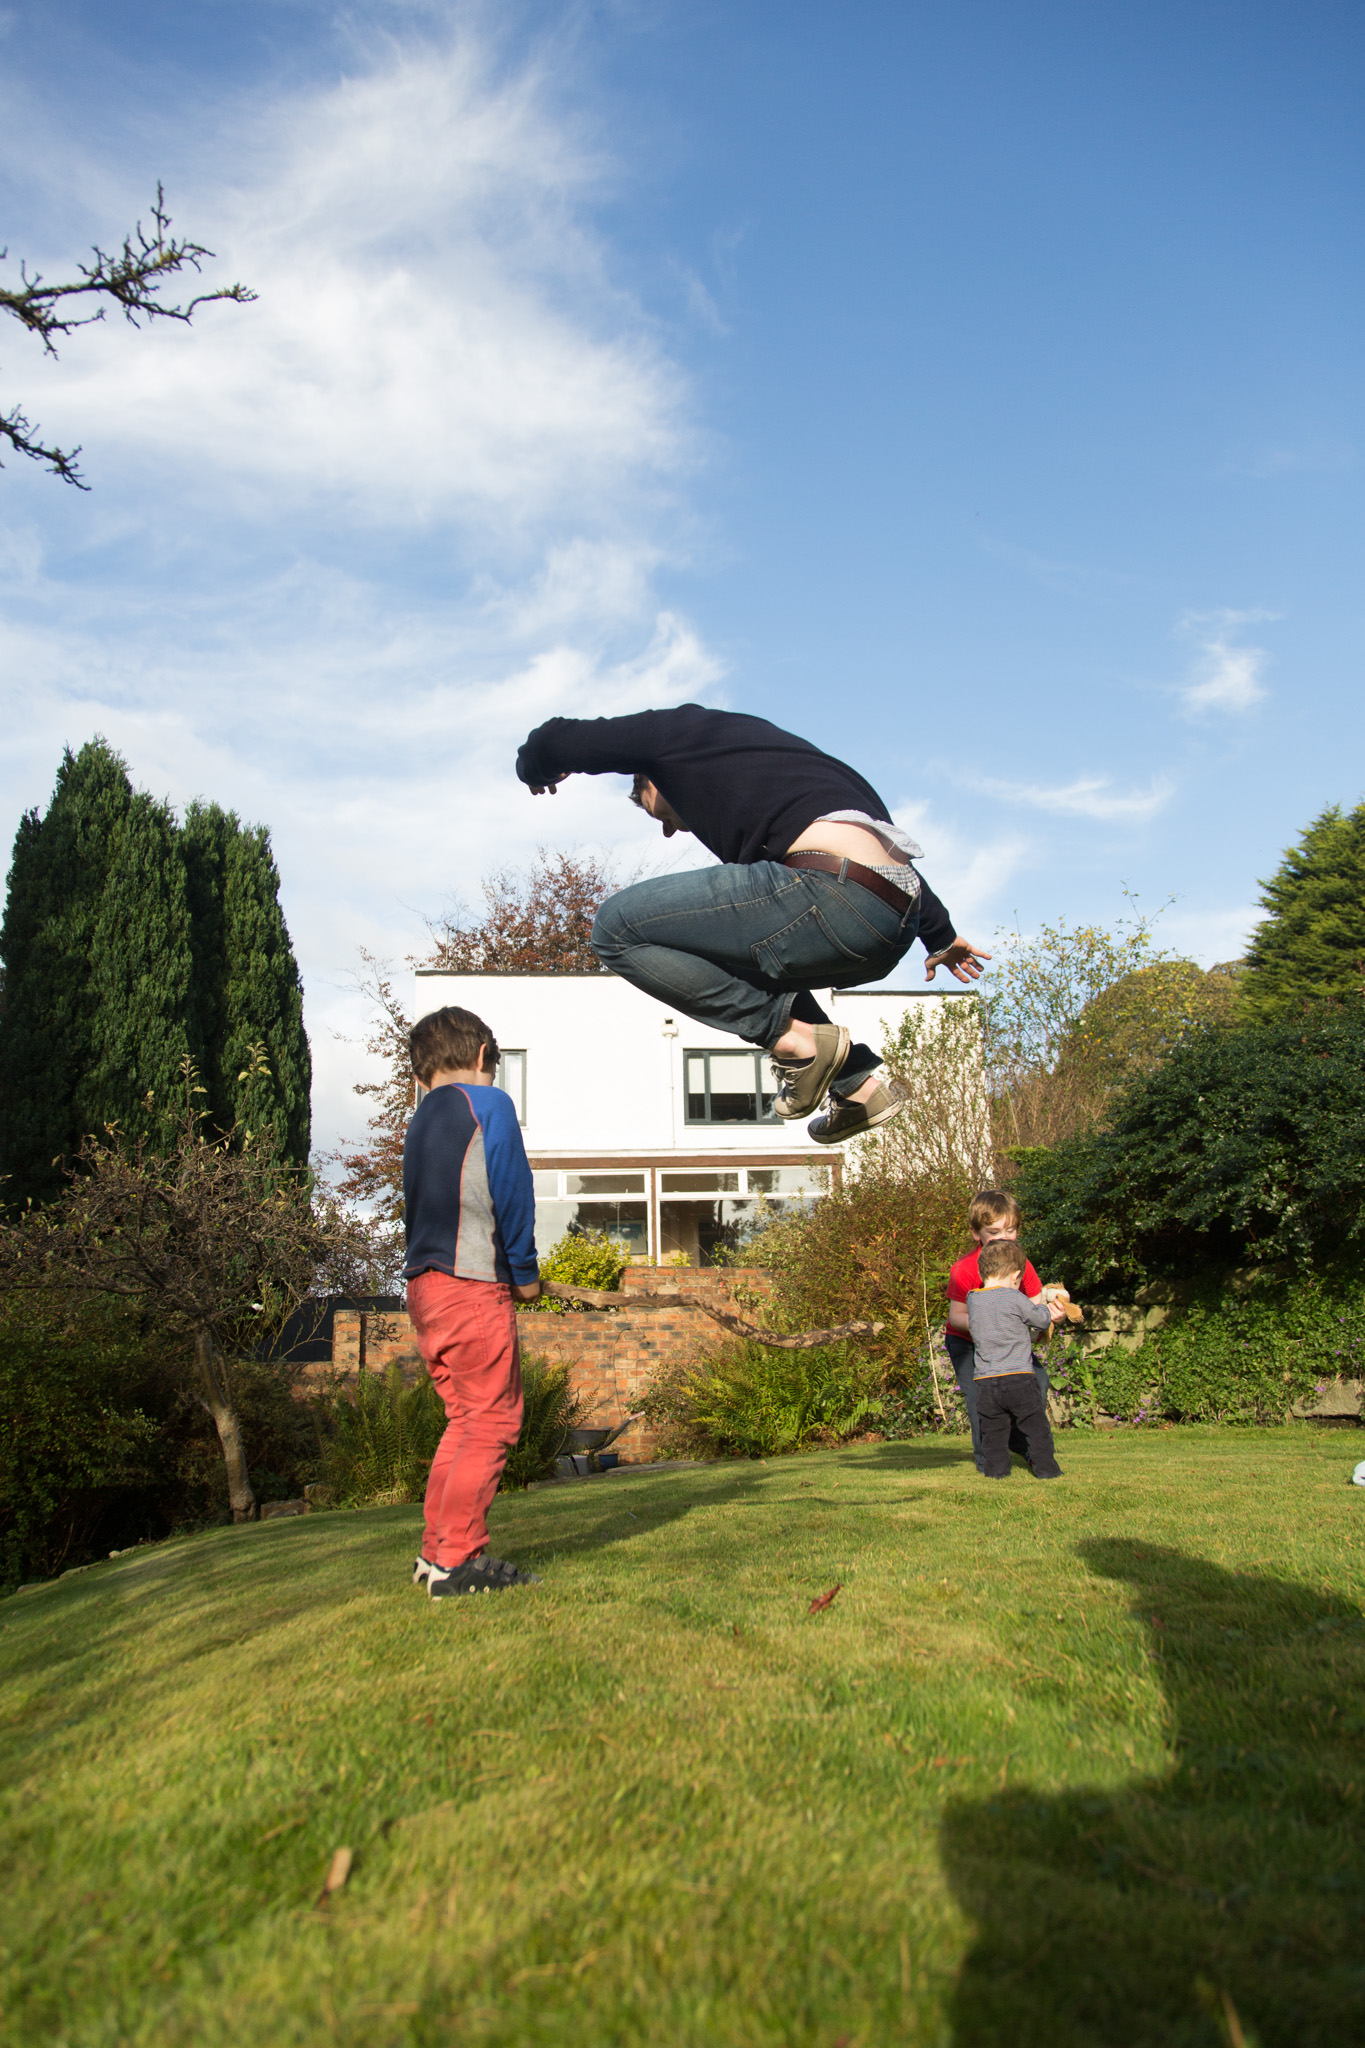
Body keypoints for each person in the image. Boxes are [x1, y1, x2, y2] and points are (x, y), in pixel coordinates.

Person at [515, 705, 989, 1143]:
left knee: (615, 929)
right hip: (890, 920)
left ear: (650, 779)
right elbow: (878, 858)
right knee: (727, 946)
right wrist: (941, 935)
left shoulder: (676, 735)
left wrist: (535, 764)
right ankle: (858, 1086)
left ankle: (791, 1041)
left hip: (831, 895)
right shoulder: (789, 768)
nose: (671, 829)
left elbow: (560, 740)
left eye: (657, 812)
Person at [403, 1005, 543, 1598]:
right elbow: (511, 1190)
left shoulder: (419, 1123)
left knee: (463, 1420)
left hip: (424, 1288)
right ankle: (459, 1561)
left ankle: (436, 1555)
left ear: (420, 1073)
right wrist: (527, 1274)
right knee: (491, 1419)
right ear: (485, 1056)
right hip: (470, 1285)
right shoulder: (489, 1104)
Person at [944, 1189, 1051, 1474]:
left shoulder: (1022, 1265)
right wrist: (988, 1323)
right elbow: (956, 1317)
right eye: (994, 1231)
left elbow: (1035, 1309)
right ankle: (988, 1461)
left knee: (1037, 1382)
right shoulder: (965, 1269)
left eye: (1011, 1230)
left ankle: (1019, 1442)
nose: (1003, 1238)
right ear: (976, 1233)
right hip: (967, 1343)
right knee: (981, 1398)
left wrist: (1053, 1317)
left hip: (1008, 1344)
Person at [967, 1240, 1065, 1480]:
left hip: (986, 1381)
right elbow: (1041, 1321)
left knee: (993, 1431)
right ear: (1016, 1275)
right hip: (1019, 1377)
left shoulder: (973, 1299)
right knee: (1035, 1427)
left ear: (983, 1272)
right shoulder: (1014, 1297)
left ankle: (996, 1472)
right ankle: (1047, 1470)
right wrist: (1046, 1305)